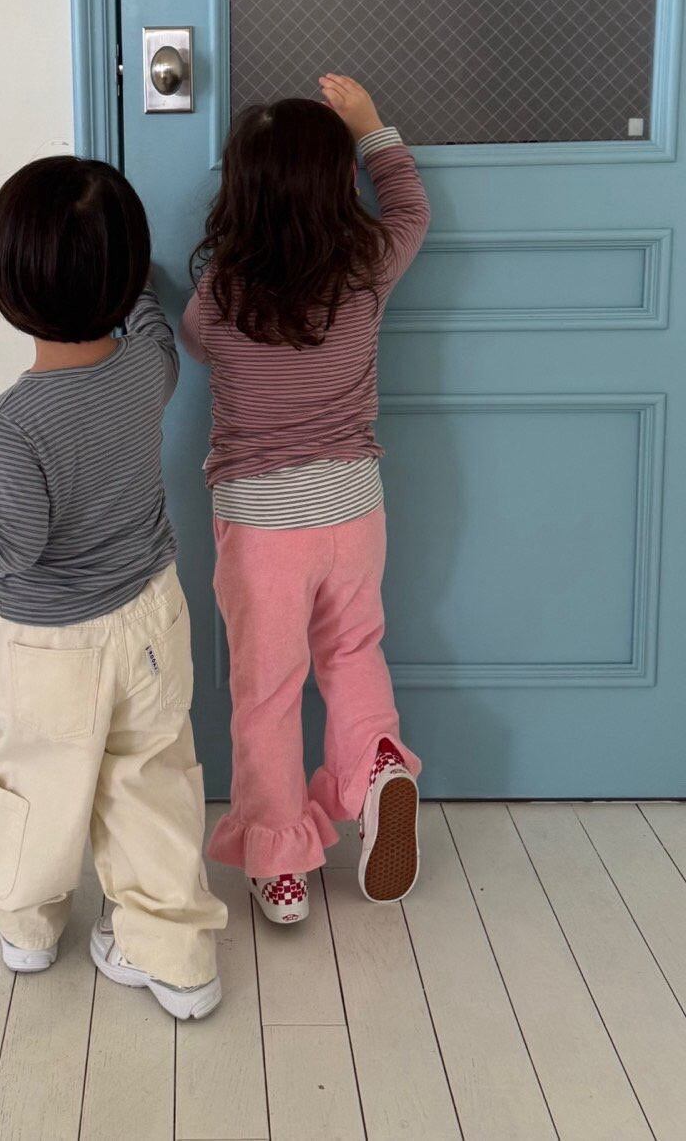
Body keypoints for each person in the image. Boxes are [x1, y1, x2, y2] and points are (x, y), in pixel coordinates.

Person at [0, 156, 225, 1016]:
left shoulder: (12, 422)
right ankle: (177, 958)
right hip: (153, 616)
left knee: (40, 783)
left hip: (54, 644)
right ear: (125, 277)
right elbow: (149, 318)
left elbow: (7, 544)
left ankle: (27, 926)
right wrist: (130, 280)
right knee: (152, 783)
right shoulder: (149, 365)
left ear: (6, 287)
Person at [181, 75, 429, 925]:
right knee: (353, 652)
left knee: (268, 691)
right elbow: (412, 208)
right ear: (339, 184)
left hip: (262, 527)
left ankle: (281, 865)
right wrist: (369, 124)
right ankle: (379, 766)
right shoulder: (366, 268)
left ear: (240, 193)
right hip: (354, 508)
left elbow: (194, 344)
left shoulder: (221, 295)